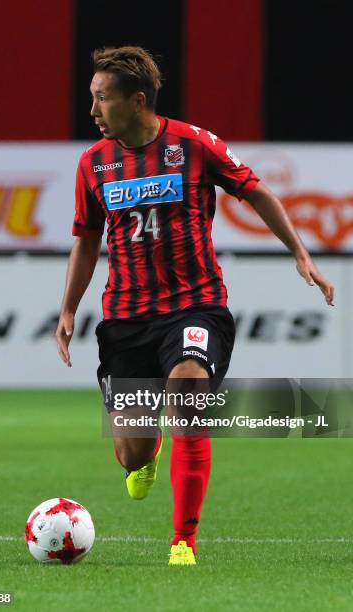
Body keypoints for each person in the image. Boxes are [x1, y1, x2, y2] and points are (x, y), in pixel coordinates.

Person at [56, 46, 334, 566]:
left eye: (101, 99)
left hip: (195, 305)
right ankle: (147, 453)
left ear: (137, 101)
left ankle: (183, 540)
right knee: (130, 450)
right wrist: (69, 308)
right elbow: (87, 239)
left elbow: (257, 193)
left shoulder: (195, 145)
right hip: (126, 317)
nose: (91, 110)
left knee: (188, 394)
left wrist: (301, 253)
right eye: (91, 98)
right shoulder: (93, 164)